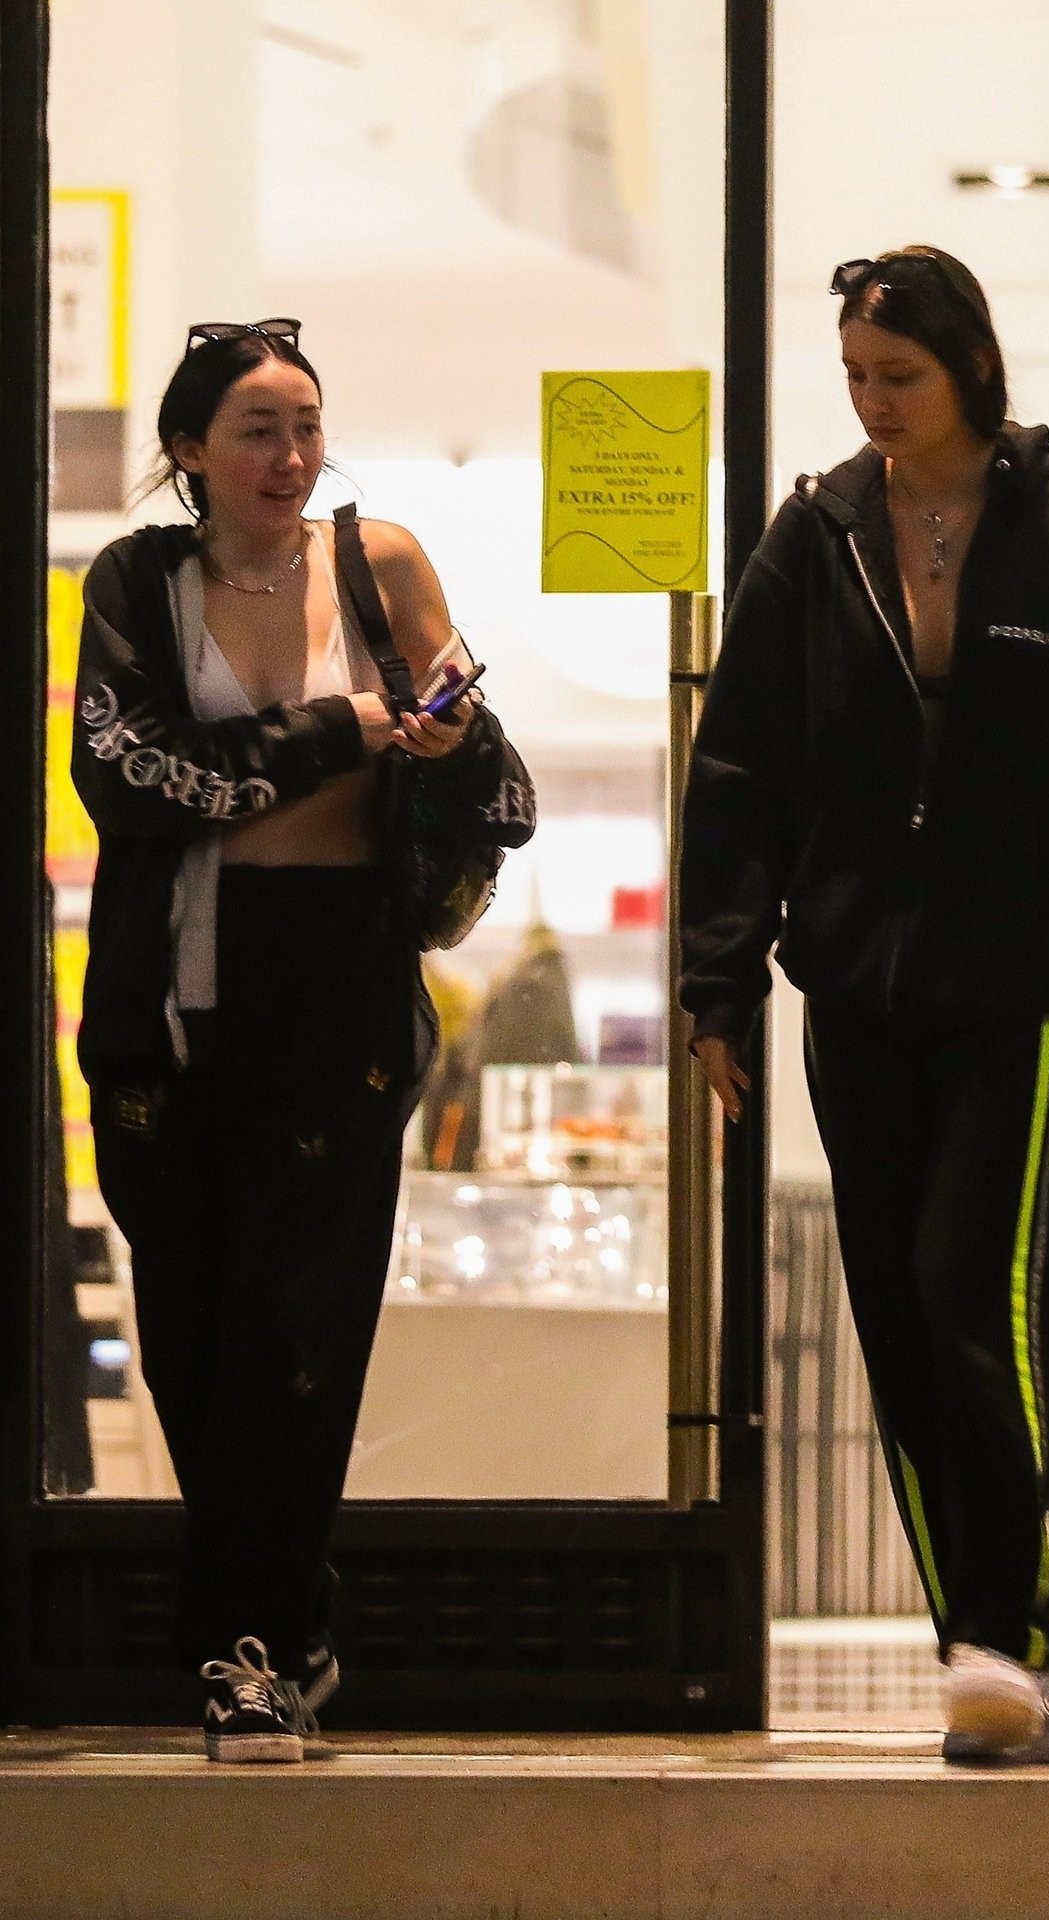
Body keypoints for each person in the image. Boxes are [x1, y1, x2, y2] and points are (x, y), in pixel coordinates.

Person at [679, 247, 1049, 1761]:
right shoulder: (818, 532)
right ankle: (985, 1651)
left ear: (973, 369)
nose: (874, 404)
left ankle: (1017, 1638)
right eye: (856, 377)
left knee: (965, 1290)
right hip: (856, 986)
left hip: (1024, 983)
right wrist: (718, 983)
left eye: (901, 377)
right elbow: (740, 769)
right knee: (895, 1319)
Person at [71, 317, 535, 1763]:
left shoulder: (379, 563)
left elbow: (491, 764)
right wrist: (346, 731)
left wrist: (444, 734)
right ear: (190, 450)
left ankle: (246, 1653)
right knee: (191, 1339)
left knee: (298, 1335)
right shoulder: (137, 581)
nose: (290, 456)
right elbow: (137, 779)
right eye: (258, 430)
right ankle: (290, 1616)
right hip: (171, 999)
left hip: (339, 987)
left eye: (308, 426)